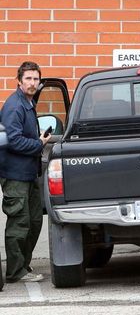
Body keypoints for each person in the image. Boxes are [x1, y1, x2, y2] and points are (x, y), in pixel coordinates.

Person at [0, 61, 51, 283]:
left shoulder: (28, 103)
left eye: (36, 79)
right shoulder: (15, 106)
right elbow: (13, 141)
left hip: (29, 175)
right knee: (19, 224)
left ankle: (23, 265)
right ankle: (15, 272)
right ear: (19, 81)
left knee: (34, 221)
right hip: (15, 176)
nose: (32, 83)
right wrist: (39, 144)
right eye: (28, 79)